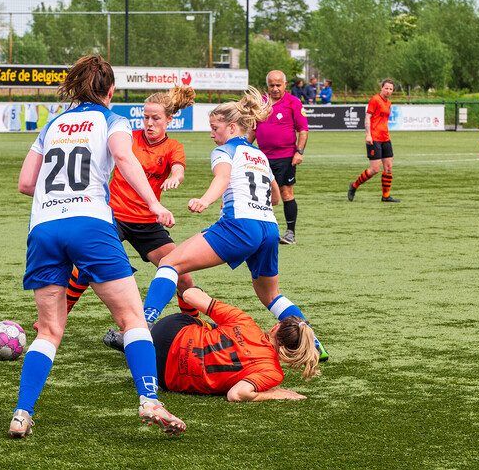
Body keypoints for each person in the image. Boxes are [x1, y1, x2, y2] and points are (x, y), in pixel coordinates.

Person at [10, 54, 186, 438]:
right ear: (110, 91)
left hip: (43, 228)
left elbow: (26, 183)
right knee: (132, 319)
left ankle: (22, 413)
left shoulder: (53, 123)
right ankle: (149, 400)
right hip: (90, 224)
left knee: (49, 331)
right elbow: (124, 157)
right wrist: (154, 203)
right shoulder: (112, 120)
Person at [140, 86, 329, 361]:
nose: (211, 133)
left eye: (214, 127)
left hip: (240, 226)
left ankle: (141, 329)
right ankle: (313, 342)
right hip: (268, 228)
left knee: (170, 263)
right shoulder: (259, 154)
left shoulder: (223, 151)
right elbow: (275, 196)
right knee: (271, 296)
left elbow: (223, 178)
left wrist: (205, 200)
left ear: (231, 127)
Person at [41, 86, 199, 348]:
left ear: (169, 120)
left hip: (149, 223)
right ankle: (53, 321)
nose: (149, 123)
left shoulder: (173, 147)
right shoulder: (128, 137)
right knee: (83, 268)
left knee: (181, 274)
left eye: (155, 118)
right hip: (114, 217)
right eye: (146, 117)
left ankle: (193, 327)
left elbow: (178, 169)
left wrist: (175, 177)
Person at [152, 287, 319, 400]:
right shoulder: (273, 373)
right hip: (164, 376)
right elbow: (236, 394)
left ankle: (141, 330)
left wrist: (193, 288)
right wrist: (274, 394)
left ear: (276, 327)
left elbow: (188, 295)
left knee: (213, 324)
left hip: (169, 331)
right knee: (218, 329)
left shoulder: (244, 321)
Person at [251, 70, 309, 245]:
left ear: (285, 84)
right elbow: (253, 129)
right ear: (267, 85)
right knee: (261, 195)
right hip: (262, 158)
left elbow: (303, 130)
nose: (275, 88)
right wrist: (242, 147)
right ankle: (265, 233)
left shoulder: (294, 102)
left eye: (278, 85)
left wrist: (299, 152)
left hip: (285, 157)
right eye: (271, 85)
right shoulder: (260, 102)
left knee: (286, 192)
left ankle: (290, 233)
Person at [347, 78, 400, 203]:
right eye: (386, 88)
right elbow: (367, 117)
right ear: (381, 88)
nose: (388, 91)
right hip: (374, 138)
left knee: (388, 168)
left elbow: (383, 120)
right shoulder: (375, 100)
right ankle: (354, 186)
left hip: (385, 138)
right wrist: (368, 135)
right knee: (374, 169)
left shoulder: (389, 103)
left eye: (390, 89)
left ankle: (386, 196)